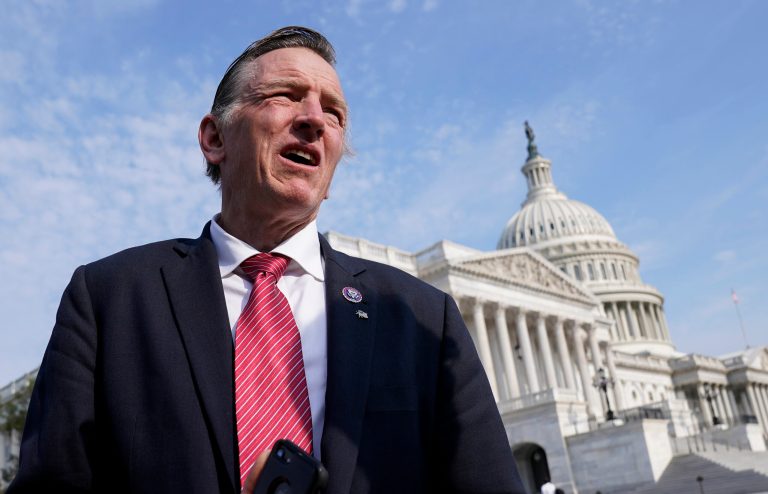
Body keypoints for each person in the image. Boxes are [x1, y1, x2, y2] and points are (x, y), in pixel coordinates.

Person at [10, 26, 525, 494]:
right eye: (285, 95)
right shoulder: (110, 299)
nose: (314, 120)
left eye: (334, 113)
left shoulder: (420, 316)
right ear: (214, 138)